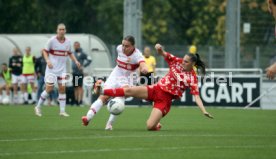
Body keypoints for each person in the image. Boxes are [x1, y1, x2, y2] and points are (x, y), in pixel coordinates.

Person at [94, 43, 213, 131]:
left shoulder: (192, 77)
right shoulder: (178, 61)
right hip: (156, 89)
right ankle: (103, 90)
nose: (183, 62)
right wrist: (160, 49)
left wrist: (204, 111)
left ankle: (156, 124)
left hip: (164, 100)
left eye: (186, 62)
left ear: (193, 64)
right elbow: (163, 54)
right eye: (184, 60)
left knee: (149, 126)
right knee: (129, 90)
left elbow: (196, 96)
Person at [81, 35, 148, 130]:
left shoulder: (137, 55)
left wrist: (144, 68)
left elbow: (142, 63)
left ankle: (109, 124)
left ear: (133, 46)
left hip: (128, 79)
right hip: (116, 74)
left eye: (127, 46)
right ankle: (87, 118)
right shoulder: (119, 48)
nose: (124, 48)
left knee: (118, 101)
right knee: (103, 97)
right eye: (123, 45)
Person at [34, 23, 81, 117]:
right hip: (51, 70)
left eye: (63, 29)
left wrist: (76, 61)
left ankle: (62, 111)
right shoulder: (52, 41)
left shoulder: (68, 42)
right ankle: (38, 107)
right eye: (60, 29)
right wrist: (48, 61)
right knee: (49, 89)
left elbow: (70, 53)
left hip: (62, 70)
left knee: (62, 89)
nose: (62, 31)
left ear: (65, 31)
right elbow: (44, 51)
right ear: (57, 30)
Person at [72, 41, 92, 106]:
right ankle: (76, 101)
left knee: (80, 87)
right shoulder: (73, 53)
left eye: (77, 45)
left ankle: (80, 101)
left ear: (79, 46)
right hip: (74, 72)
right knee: (75, 87)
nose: (75, 47)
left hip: (79, 73)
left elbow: (89, 60)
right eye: (74, 46)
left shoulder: (83, 54)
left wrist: (83, 66)